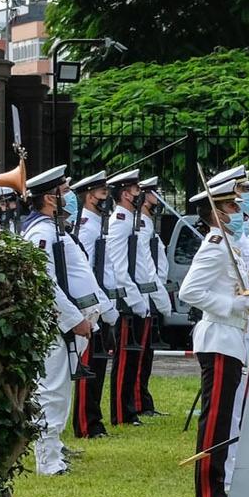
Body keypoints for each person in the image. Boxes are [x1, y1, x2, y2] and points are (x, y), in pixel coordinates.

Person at [179, 181, 249, 497]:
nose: (238, 212)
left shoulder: (231, 246)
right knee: (215, 417)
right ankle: (208, 492)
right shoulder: (215, 245)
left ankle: (220, 483)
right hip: (219, 337)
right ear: (216, 213)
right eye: (231, 207)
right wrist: (231, 305)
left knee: (226, 416)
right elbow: (189, 292)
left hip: (233, 337)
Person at [21, 165, 101, 476]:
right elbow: (47, 283)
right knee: (50, 391)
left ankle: (55, 450)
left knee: (59, 390)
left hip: (71, 324)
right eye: (64, 192)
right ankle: (48, 461)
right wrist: (72, 320)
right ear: (50, 198)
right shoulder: (41, 232)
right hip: (58, 325)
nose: (70, 197)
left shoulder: (54, 229)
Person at [69, 170, 117, 440]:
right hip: (92, 306)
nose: (106, 199)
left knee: (98, 366)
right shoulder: (86, 227)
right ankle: (87, 424)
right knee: (89, 369)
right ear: (89, 197)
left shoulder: (99, 224)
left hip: (103, 303)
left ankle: (94, 420)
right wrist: (103, 306)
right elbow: (86, 273)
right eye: (102, 194)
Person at [105, 170, 151, 426]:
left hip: (134, 299)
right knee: (124, 361)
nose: (139, 194)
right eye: (135, 190)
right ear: (125, 194)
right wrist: (135, 300)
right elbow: (119, 268)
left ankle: (129, 409)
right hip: (126, 302)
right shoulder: (120, 222)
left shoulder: (129, 221)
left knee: (133, 359)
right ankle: (122, 413)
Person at [134, 178, 170, 416]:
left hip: (152, 293)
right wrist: (160, 299)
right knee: (138, 357)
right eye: (153, 193)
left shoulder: (147, 223)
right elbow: (145, 265)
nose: (158, 197)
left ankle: (143, 401)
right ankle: (137, 404)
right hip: (146, 294)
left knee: (146, 355)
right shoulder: (140, 224)